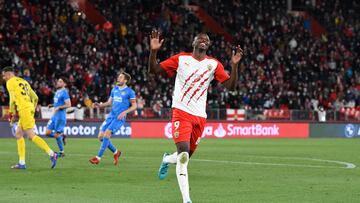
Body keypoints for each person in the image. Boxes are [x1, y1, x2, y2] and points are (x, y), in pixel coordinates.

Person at [148, 30, 243, 203]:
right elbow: (153, 70)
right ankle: (187, 200)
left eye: (207, 40)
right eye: (200, 38)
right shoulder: (181, 59)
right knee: (183, 156)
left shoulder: (213, 64)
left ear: (208, 45)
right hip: (181, 112)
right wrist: (154, 51)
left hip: (200, 116)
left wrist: (235, 66)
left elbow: (231, 86)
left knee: (183, 157)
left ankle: (167, 159)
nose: (203, 41)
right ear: (193, 42)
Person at [2, 66, 58, 169]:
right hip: (28, 108)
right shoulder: (24, 81)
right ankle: (22, 163)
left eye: (4, 75)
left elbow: (12, 100)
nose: (3, 77)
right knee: (18, 134)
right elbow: (35, 97)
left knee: (31, 135)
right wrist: (32, 107)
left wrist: (11, 115)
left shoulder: (10, 82)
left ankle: (52, 154)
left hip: (24, 109)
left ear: (9, 74)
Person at [89, 72, 137, 165]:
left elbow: (134, 106)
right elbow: (109, 103)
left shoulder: (130, 92)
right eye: (118, 77)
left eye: (121, 77)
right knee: (100, 137)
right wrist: (100, 105)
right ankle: (116, 152)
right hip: (111, 116)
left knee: (107, 134)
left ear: (125, 80)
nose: (118, 79)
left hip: (119, 118)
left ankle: (98, 158)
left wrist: (124, 112)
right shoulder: (114, 89)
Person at [45, 77, 71, 157]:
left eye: (60, 81)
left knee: (56, 135)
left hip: (60, 116)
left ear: (64, 84)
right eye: (58, 81)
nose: (58, 83)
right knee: (47, 133)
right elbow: (59, 103)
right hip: (54, 116)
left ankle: (62, 152)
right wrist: (53, 105)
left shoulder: (64, 92)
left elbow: (69, 104)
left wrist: (59, 107)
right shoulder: (57, 92)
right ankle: (61, 136)